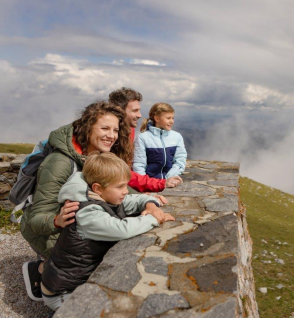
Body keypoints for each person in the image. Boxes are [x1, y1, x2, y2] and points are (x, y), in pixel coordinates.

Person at [21, 101, 136, 302]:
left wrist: (146, 202)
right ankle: (42, 272)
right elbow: (37, 219)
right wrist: (56, 221)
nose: (112, 135)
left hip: (74, 224)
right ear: (87, 128)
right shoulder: (60, 163)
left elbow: (119, 187)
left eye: (116, 130)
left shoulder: (100, 155)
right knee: (92, 253)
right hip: (48, 229)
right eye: (105, 128)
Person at [40, 152, 174, 310]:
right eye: (120, 186)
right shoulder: (86, 213)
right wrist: (154, 219)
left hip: (72, 278)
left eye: (126, 185)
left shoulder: (104, 196)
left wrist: (151, 205)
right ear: (97, 188)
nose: (126, 191)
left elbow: (136, 199)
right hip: (62, 292)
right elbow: (122, 229)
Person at [109, 87, 181, 190]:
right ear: (119, 111)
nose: (140, 115)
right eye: (135, 111)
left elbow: (126, 168)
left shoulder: (129, 130)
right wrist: (158, 184)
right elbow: (118, 172)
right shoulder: (109, 136)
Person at [133, 103, 186, 184]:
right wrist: (145, 183)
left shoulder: (177, 137)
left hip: (170, 180)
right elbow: (139, 164)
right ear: (157, 118)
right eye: (168, 118)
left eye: (173, 118)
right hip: (150, 183)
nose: (171, 121)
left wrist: (167, 178)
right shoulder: (142, 138)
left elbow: (180, 160)